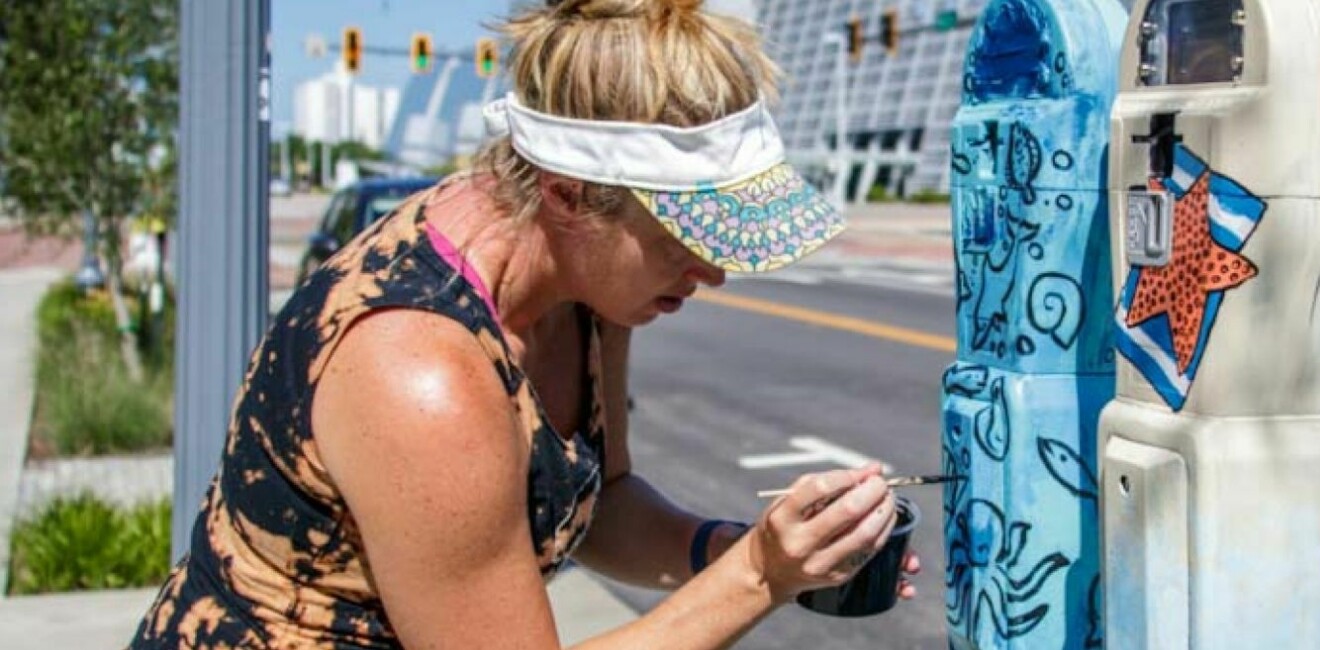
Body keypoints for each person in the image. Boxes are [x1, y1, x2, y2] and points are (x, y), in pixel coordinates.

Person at [129, 0, 917, 647]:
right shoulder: (420, 370)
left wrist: (758, 548)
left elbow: (598, 503)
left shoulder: (586, 286)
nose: (713, 271)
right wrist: (759, 577)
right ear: (567, 192)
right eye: (683, 236)